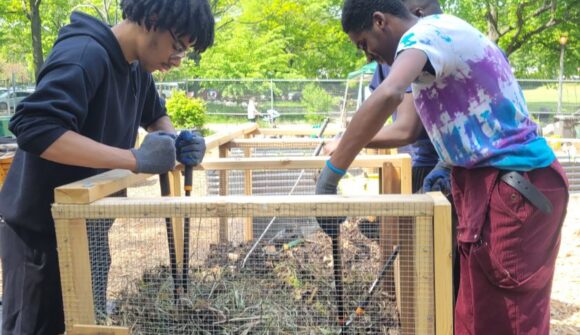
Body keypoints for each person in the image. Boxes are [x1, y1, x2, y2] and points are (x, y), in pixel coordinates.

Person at [316, 0, 569, 334]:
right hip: (494, 185)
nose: (367, 56)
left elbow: (390, 93)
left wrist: (330, 177)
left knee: (504, 319)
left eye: (364, 44)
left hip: (517, 187)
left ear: (380, 21)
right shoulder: (437, 41)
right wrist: (447, 165)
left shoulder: (424, 36)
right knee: (473, 311)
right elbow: (457, 117)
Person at [0, 0, 214, 333]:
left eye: (183, 52)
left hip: (89, 229)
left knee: (88, 324)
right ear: (152, 19)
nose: (176, 60)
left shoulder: (135, 68)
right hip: (42, 238)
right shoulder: (85, 54)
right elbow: (36, 127)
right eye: (176, 47)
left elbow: (155, 116)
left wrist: (176, 140)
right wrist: (133, 158)